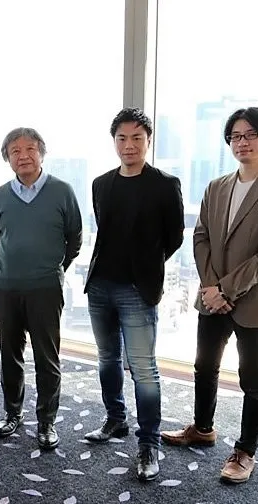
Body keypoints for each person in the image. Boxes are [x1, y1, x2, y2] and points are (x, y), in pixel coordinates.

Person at [161, 107, 258, 484]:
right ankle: (202, 428)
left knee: (252, 378)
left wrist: (225, 289)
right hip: (212, 296)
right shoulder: (216, 187)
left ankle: (245, 452)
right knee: (204, 366)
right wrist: (212, 288)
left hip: (254, 301)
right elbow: (201, 237)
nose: (242, 142)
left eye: (251, 134)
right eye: (236, 136)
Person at [82, 108, 185, 481]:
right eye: (122, 138)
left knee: (143, 369)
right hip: (100, 286)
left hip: (137, 290)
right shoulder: (101, 184)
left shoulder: (165, 185)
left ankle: (149, 444)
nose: (129, 145)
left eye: (137, 138)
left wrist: (146, 267)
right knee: (107, 359)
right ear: (114, 142)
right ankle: (115, 420)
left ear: (148, 141)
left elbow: (174, 237)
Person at [0, 127, 82, 450]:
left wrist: (52, 267)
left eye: (29, 149)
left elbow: (74, 238)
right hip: (7, 288)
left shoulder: (62, 191)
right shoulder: (0, 195)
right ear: (8, 159)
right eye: (15, 151)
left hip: (46, 288)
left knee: (46, 357)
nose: (23, 156)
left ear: (41, 153)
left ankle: (46, 421)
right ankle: (12, 413)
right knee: (9, 355)